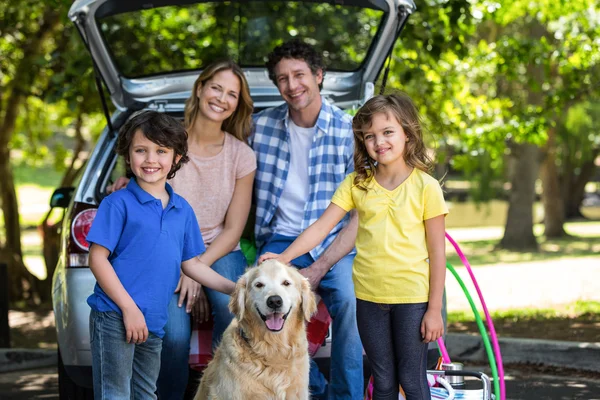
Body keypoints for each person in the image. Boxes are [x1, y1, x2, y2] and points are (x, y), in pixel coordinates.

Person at [259, 93, 449, 400]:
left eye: (388, 132)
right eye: (370, 136)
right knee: (383, 380)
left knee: (412, 381)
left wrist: (435, 309)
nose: (379, 142)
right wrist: (284, 257)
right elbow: (321, 228)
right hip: (369, 299)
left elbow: (438, 254)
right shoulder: (357, 184)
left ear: (407, 132)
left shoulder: (426, 187)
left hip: (412, 299)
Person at [107, 59, 256, 400]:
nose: (222, 98)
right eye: (216, 87)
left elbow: (233, 230)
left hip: (219, 248)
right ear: (201, 88)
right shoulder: (166, 140)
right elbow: (144, 178)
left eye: (232, 94)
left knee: (232, 312)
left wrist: (196, 269)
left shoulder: (242, 156)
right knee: (172, 336)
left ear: (237, 104)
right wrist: (124, 184)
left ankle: (225, 392)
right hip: (167, 249)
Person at [86, 111, 236, 400]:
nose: (150, 159)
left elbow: (191, 263)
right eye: (141, 150)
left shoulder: (182, 210)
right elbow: (97, 258)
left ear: (177, 158)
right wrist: (128, 309)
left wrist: (234, 288)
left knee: (146, 394)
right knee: (115, 394)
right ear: (128, 158)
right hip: (115, 314)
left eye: (161, 151)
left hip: (153, 320)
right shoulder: (117, 204)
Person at [251, 39, 362, 400]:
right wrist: (131, 176)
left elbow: (359, 214)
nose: (292, 85)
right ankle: (313, 390)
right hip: (281, 241)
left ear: (318, 75)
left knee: (349, 300)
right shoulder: (259, 127)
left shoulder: (350, 132)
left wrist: (319, 268)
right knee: (259, 304)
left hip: (336, 246)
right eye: (282, 78)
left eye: (299, 74)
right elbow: (202, 151)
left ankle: (345, 397)